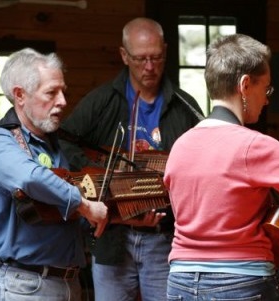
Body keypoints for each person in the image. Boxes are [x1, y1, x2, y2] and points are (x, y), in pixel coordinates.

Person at [162, 33, 279, 300]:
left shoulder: (180, 146)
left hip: (180, 282)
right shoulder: (257, 146)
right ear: (245, 85)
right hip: (242, 282)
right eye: (266, 88)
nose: (267, 99)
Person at [59, 17, 203, 301]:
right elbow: (64, 140)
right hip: (113, 237)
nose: (149, 67)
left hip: (165, 238)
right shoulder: (102, 101)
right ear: (124, 56)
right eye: (140, 59)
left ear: (166, 51)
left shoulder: (185, 106)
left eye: (156, 58)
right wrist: (102, 175)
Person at [0, 48, 109, 300]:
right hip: (23, 286)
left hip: (68, 283)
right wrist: (83, 205)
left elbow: (66, 217)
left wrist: (124, 216)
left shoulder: (55, 145)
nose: (62, 101)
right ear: (20, 95)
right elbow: (31, 178)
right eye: (51, 92)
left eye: (63, 92)